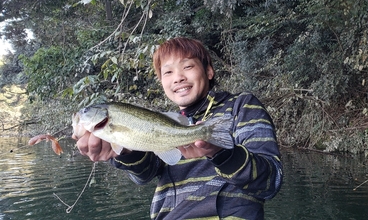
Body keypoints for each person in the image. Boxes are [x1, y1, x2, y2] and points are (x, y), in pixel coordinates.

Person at [75, 37, 283, 220]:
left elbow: (270, 181)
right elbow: (144, 175)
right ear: (162, 82)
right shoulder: (163, 121)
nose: (178, 77)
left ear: (209, 71)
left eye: (188, 67)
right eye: (168, 72)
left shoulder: (241, 106)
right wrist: (125, 152)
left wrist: (221, 153)